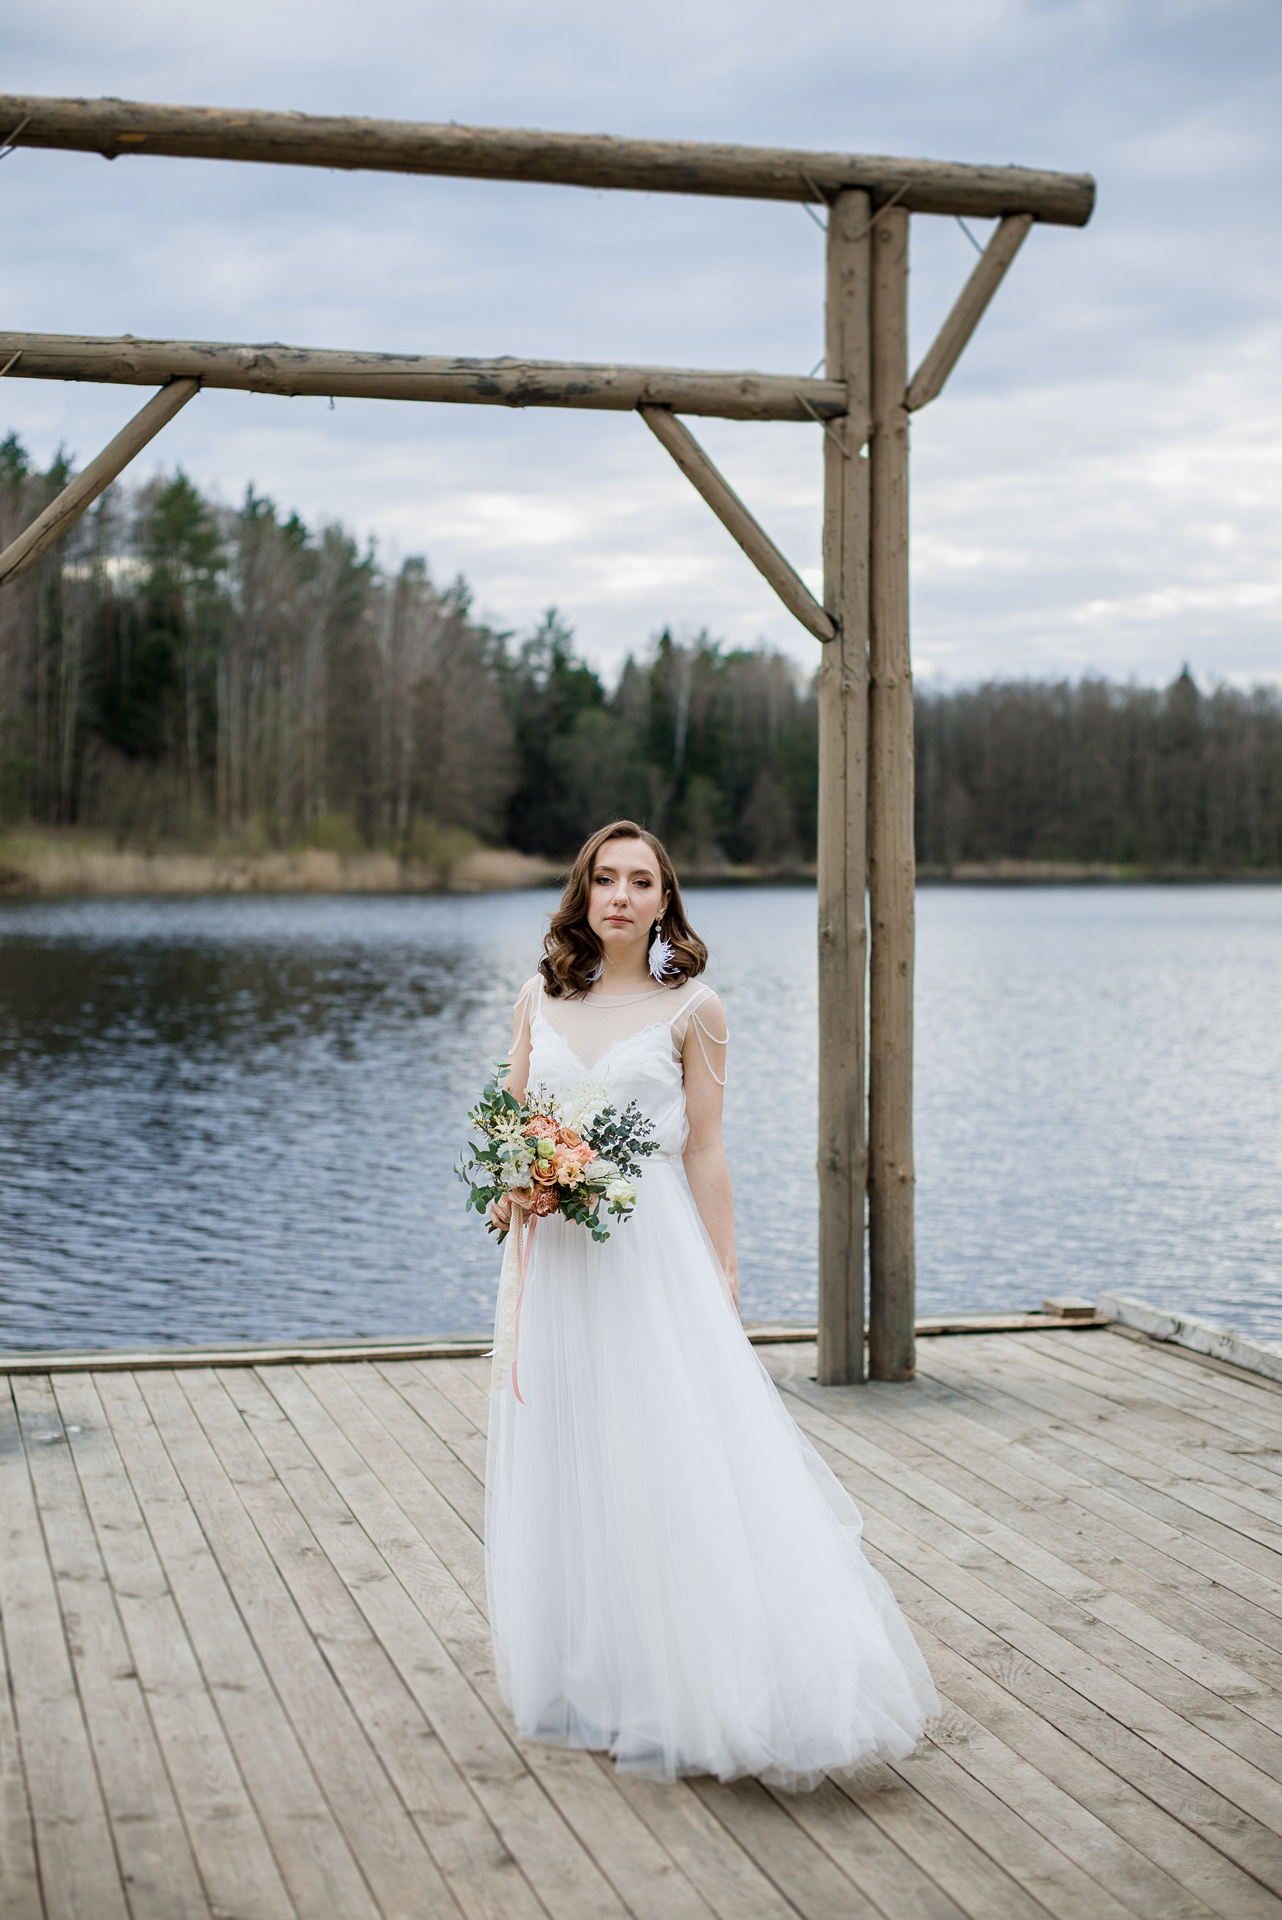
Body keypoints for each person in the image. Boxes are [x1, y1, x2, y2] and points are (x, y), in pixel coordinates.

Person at [485, 819, 938, 1788]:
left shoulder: (696, 1009)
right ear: (581, 893)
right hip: (557, 1257)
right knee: (574, 1451)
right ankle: (594, 1675)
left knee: (663, 1453)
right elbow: (508, 1119)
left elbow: (704, 1148)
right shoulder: (537, 998)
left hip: (650, 1253)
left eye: (638, 882)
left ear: (664, 899)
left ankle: (695, 1681)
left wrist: (724, 1268)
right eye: (603, 879)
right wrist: (511, 1183)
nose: (618, 896)